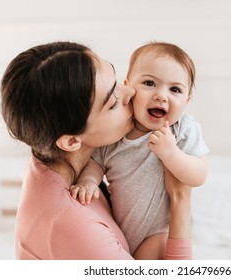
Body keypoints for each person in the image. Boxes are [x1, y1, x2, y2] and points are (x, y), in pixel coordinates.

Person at [0, 41, 193, 260]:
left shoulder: (48, 159)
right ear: (72, 141)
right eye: (112, 103)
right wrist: (180, 199)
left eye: (115, 78)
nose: (130, 92)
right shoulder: (75, 226)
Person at [70, 42, 209, 259]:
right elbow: (96, 162)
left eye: (175, 89)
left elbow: (199, 174)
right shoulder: (116, 132)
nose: (161, 96)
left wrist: (172, 154)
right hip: (119, 229)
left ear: (187, 100)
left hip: (159, 231)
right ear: (129, 86)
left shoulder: (181, 129)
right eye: (149, 83)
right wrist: (88, 181)